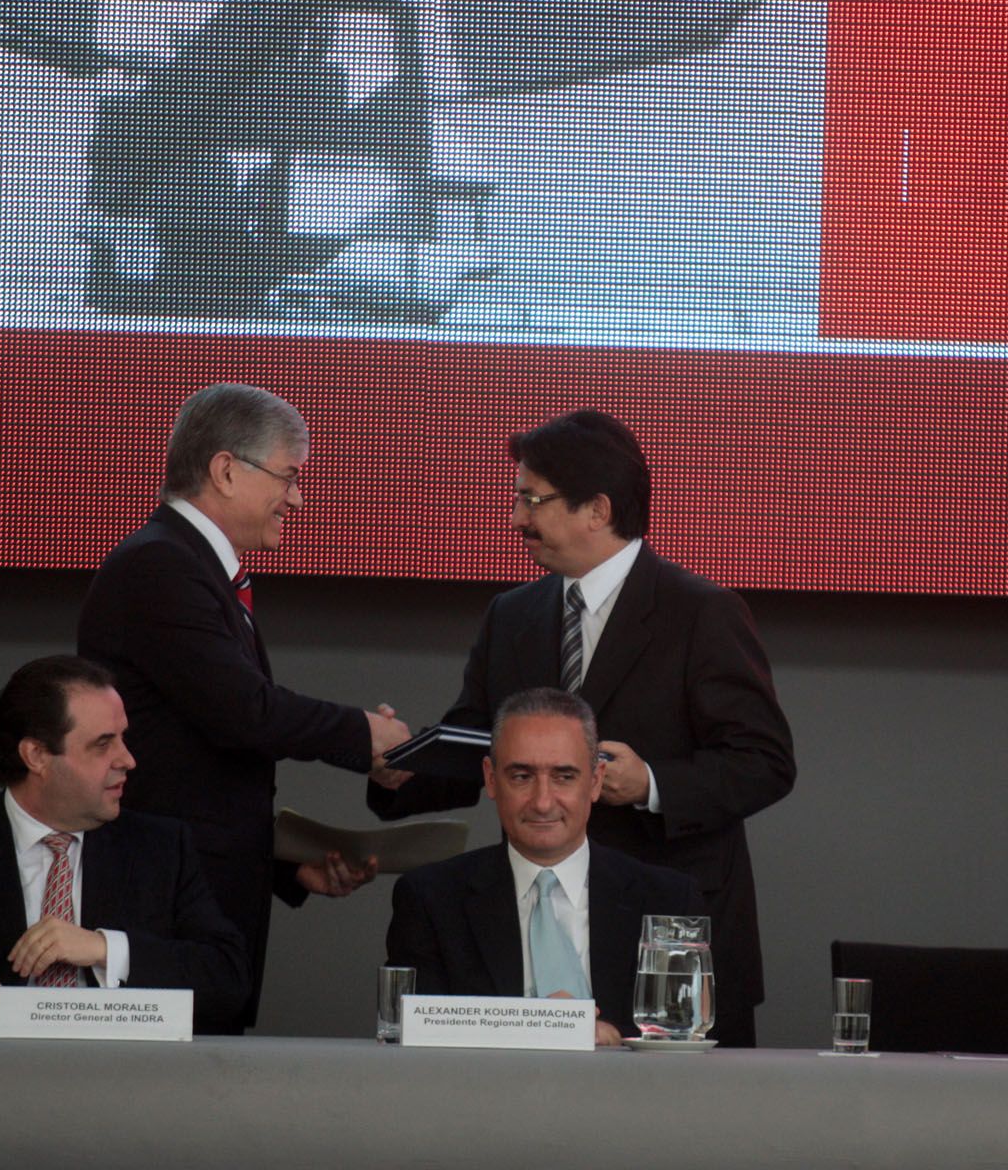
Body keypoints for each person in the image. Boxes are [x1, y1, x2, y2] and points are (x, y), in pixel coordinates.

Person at [369, 410, 794, 1045]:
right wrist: (402, 769)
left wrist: (649, 781)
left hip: (663, 941)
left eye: (531, 499)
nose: (517, 519)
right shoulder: (513, 614)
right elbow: (477, 745)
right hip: (532, 927)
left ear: (597, 509)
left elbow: (765, 762)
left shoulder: (701, 612)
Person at [78, 382, 411, 1029]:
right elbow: (242, 712)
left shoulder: (190, 566)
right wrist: (364, 734)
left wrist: (288, 869)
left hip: (199, 892)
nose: (298, 496)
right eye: (288, 476)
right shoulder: (161, 567)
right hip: (163, 908)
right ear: (227, 470)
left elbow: (203, 758)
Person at [0, 656, 249, 1034]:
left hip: (126, 1087)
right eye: (102, 745)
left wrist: (106, 949)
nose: (127, 759)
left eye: (123, 739)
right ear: (37, 756)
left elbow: (228, 981)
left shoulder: (161, 849)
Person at [387, 688, 705, 1044]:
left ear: (596, 780)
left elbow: (687, 1040)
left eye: (563, 776)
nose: (541, 802)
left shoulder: (668, 900)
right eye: (521, 776)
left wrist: (614, 1037)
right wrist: (542, 1028)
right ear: (491, 779)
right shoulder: (430, 899)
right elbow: (416, 1040)